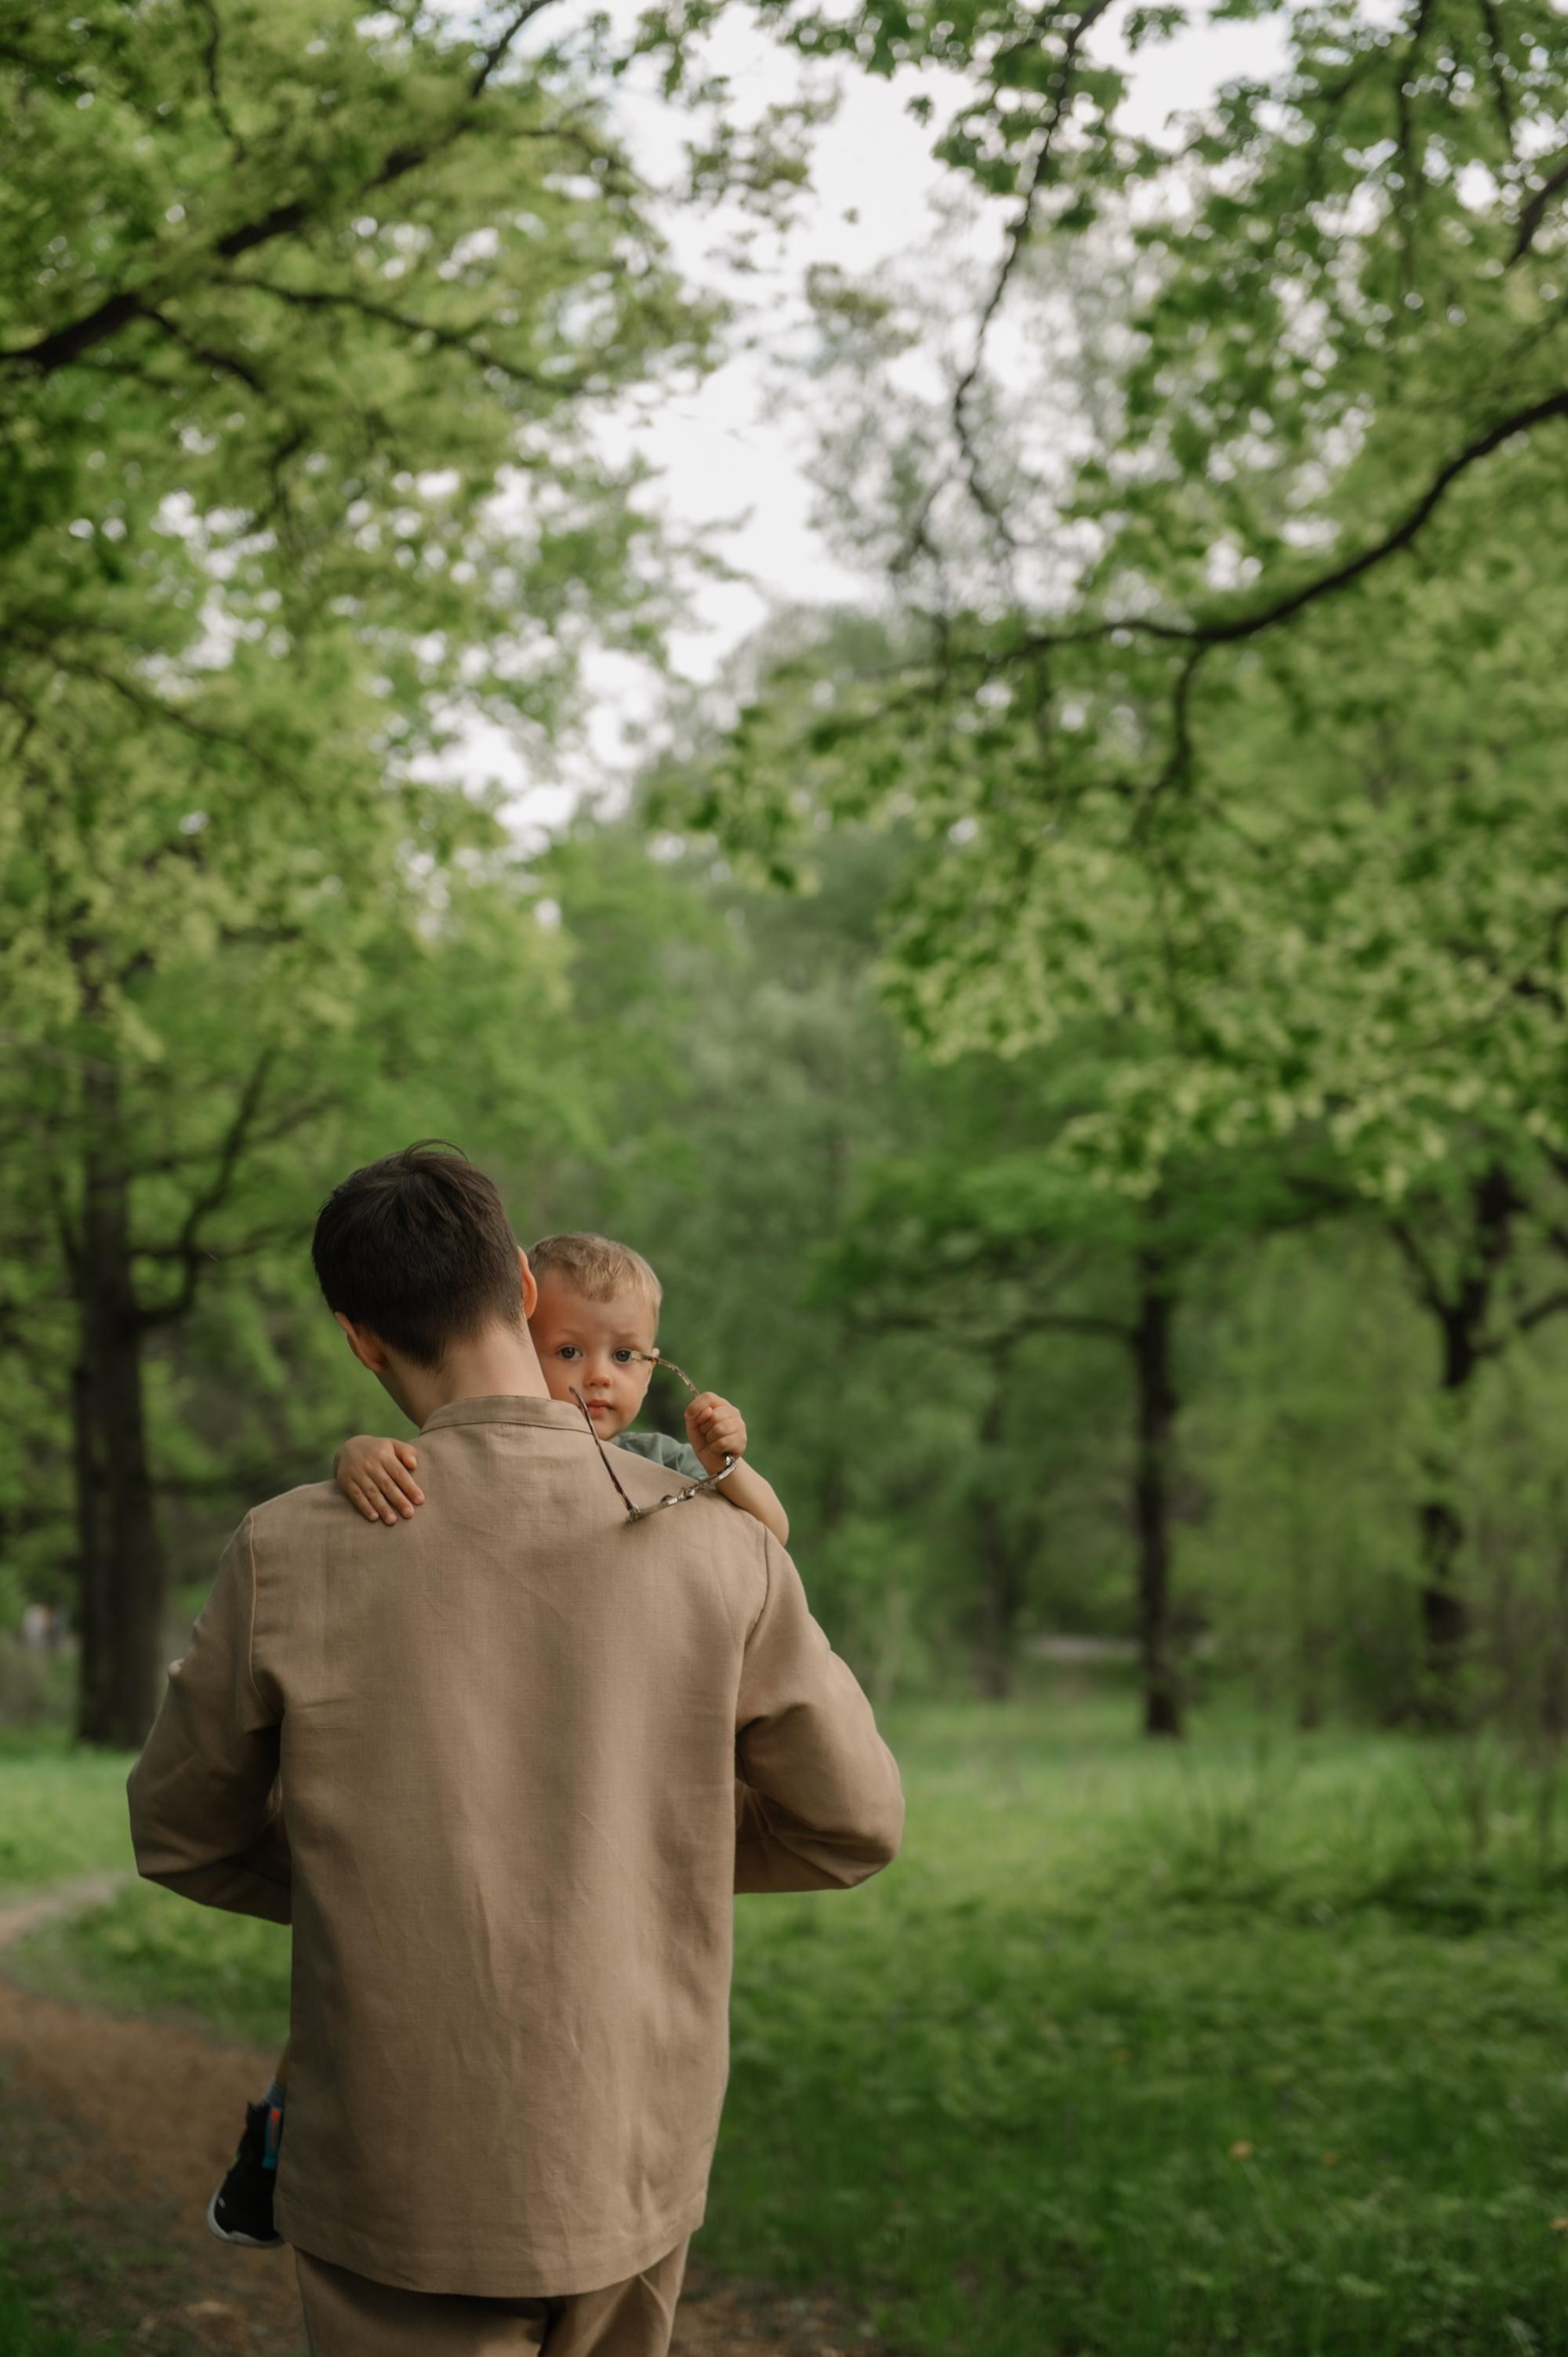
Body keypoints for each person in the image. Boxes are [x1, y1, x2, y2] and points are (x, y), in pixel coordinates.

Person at [127, 1144, 904, 2357]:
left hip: (395, 2162)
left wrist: (378, 1878)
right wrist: (635, 1863)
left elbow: (179, 1830)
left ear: (358, 1339)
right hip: (627, 2149)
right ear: (526, 1295)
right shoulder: (718, 1545)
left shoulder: (286, 1549)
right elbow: (855, 1821)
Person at [207, 1226, 793, 2251]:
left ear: (660, 1364)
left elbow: (767, 1540)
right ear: (518, 1328)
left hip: (577, 1781)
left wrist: (729, 1465)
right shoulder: (442, 1468)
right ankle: (274, 2131)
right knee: (354, 1990)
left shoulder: (660, 1470)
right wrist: (354, 1455)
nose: (596, 1378)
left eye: (627, 1356)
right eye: (567, 1351)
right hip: (453, 1760)